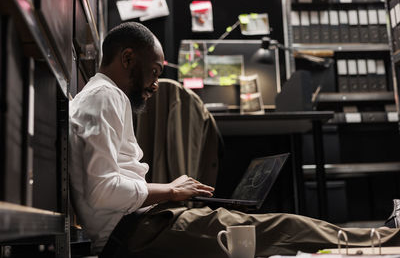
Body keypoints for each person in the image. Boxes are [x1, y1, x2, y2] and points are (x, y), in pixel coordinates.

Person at [69, 22, 400, 258]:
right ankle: (388, 237)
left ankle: (381, 237)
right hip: (133, 233)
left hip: (135, 228)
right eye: (155, 72)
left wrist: (169, 194)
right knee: (279, 228)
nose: (156, 84)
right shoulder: (106, 97)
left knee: (267, 227)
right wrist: (171, 191)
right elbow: (103, 191)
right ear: (127, 59)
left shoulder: (95, 96)